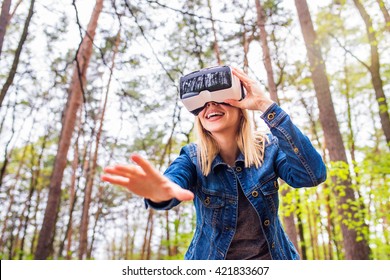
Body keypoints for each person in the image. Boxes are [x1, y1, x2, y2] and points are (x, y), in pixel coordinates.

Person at [101, 67, 327, 260]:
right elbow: (172, 183)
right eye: (201, 103)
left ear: (240, 108)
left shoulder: (269, 148)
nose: (210, 105)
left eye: (219, 99)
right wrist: (160, 192)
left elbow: (311, 175)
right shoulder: (191, 158)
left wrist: (266, 106)